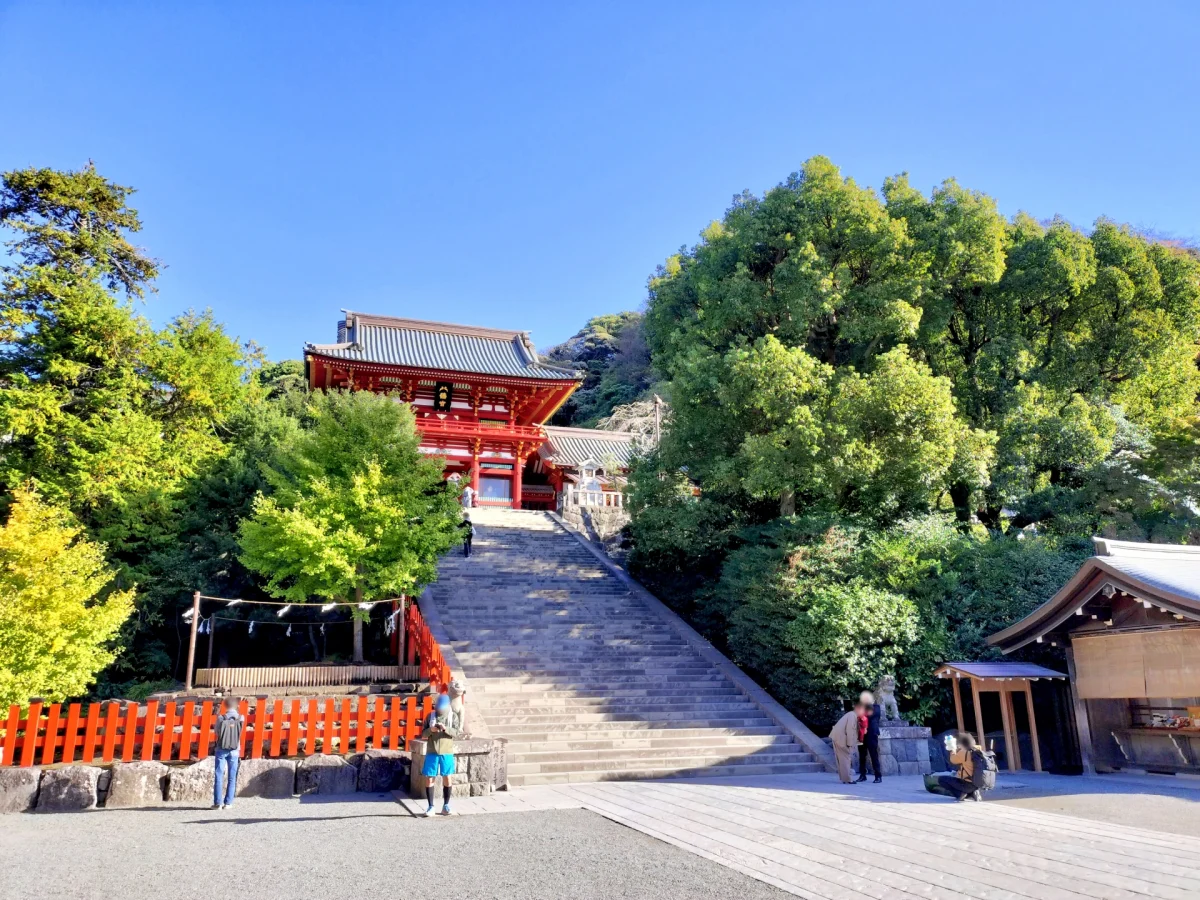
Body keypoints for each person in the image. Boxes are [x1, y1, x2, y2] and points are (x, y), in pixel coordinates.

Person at [420, 693, 462, 816]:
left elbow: (456, 733)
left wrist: (445, 729)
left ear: (448, 705)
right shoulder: (430, 716)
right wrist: (431, 730)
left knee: (447, 777)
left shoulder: (453, 716)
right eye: (438, 706)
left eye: (442, 707)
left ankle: (446, 805)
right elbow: (423, 734)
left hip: (447, 751)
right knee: (429, 778)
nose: (440, 709)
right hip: (432, 751)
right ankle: (430, 806)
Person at [212, 696, 244, 810]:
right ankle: (228, 802)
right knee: (232, 776)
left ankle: (217, 803)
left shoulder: (221, 717)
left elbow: (216, 732)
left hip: (221, 747)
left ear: (225, 705)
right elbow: (240, 732)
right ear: (236, 705)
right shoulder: (241, 718)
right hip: (235, 749)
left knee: (219, 775)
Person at [937, 732, 983, 801]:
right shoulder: (978, 750)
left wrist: (952, 750)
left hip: (966, 783)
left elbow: (953, 760)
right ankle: (973, 792)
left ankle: (960, 793)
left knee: (941, 780)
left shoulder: (964, 752)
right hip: (977, 783)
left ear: (962, 743)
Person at [830, 702, 862, 784]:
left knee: (842, 759)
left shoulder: (851, 714)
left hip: (837, 737)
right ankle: (848, 779)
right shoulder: (852, 715)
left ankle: (844, 778)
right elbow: (850, 730)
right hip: (841, 739)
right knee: (846, 758)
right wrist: (850, 744)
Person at [855, 691, 882, 783]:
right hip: (862, 734)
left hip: (871, 734)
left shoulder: (876, 708)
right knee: (862, 756)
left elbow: (870, 716)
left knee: (873, 755)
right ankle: (863, 775)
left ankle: (878, 776)